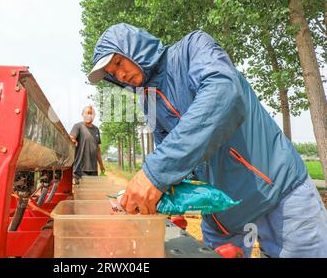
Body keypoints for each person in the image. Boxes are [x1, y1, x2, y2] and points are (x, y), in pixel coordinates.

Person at [87, 23, 327, 258]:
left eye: (118, 62)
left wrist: (155, 172)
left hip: (279, 192)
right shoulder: (147, 102)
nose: (120, 74)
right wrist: (161, 195)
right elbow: (175, 161)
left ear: (134, 47)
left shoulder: (192, 48)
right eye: (112, 73)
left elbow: (224, 94)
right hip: (222, 213)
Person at [70, 106, 105, 183]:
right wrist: (73, 140)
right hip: (80, 169)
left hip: (93, 170)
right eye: (87, 113)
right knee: (81, 194)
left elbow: (97, 149)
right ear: (82, 114)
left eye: (91, 114)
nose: (89, 115)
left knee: (92, 193)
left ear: (94, 116)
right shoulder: (78, 126)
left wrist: (101, 165)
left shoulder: (96, 129)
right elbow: (71, 138)